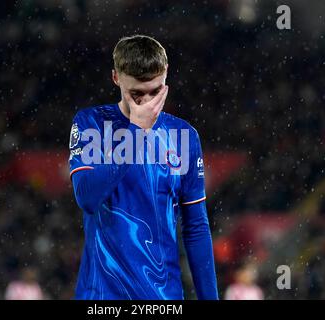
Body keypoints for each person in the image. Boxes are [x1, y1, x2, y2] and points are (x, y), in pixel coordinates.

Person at [69, 35, 218, 299]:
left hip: (163, 298)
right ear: (116, 78)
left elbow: (196, 227)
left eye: (156, 91)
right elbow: (88, 198)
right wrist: (136, 131)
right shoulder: (91, 123)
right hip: (102, 297)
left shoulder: (183, 135)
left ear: (166, 75)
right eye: (136, 94)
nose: (147, 104)